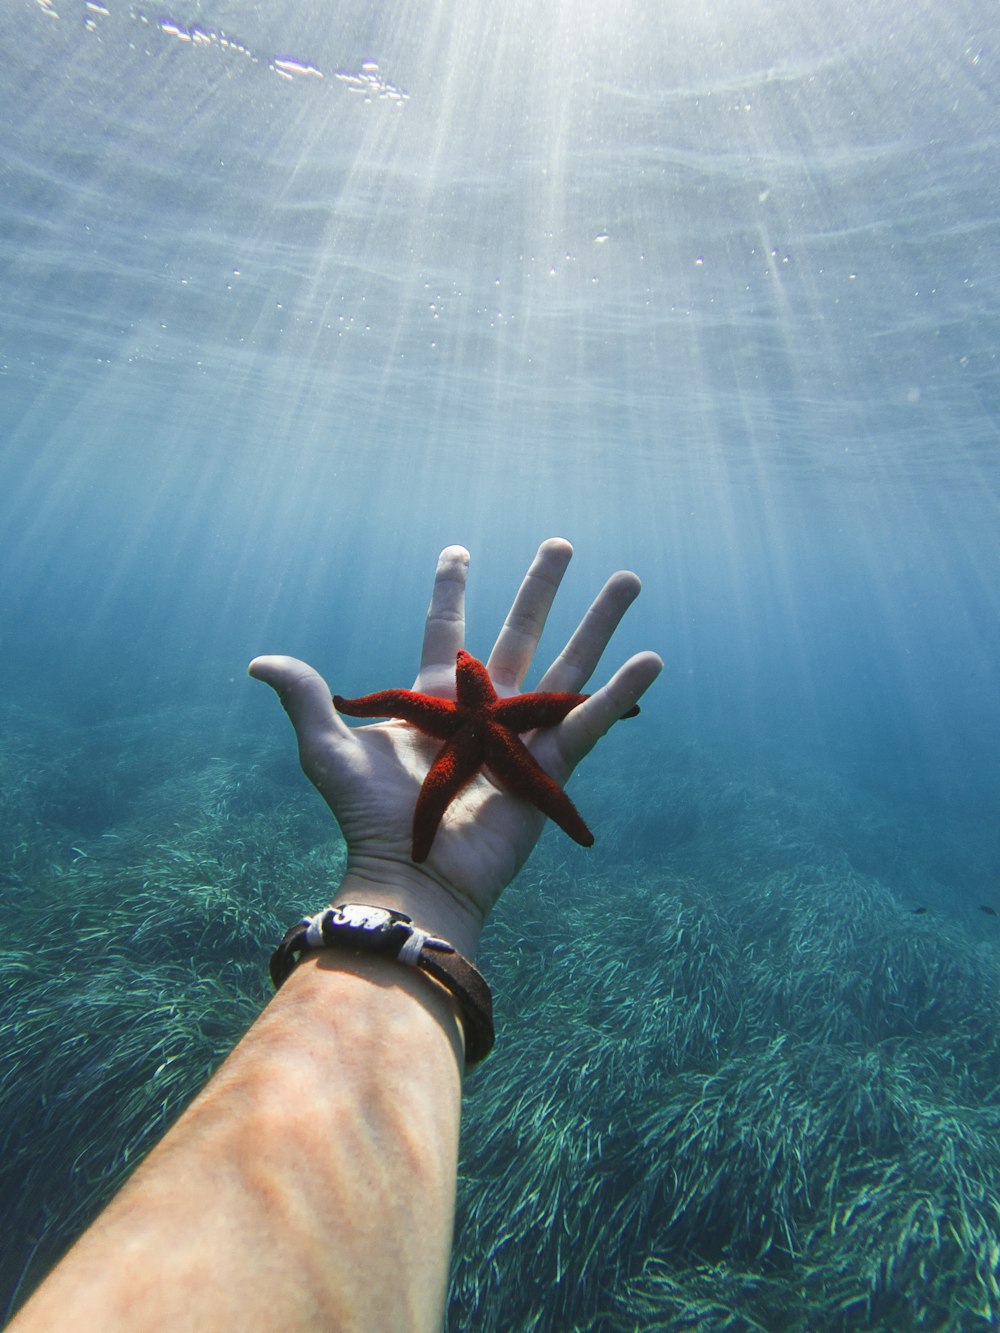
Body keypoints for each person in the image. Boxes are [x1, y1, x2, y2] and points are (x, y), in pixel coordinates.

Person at [8, 538, 662, 1333]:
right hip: (430, 894)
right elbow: (481, 723)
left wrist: (410, 875)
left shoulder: (465, 722)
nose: (460, 686)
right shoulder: (462, 721)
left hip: (415, 882)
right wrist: (425, 891)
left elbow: (502, 719)